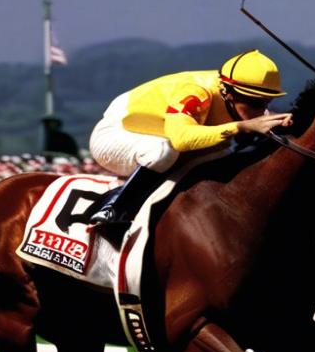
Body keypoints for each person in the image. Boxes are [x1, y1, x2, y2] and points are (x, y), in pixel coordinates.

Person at [88, 49, 294, 227]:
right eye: (255, 103)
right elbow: (181, 139)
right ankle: (114, 207)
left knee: (224, 154)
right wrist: (241, 126)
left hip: (157, 134)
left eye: (266, 103)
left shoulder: (237, 95)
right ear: (229, 93)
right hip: (116, 135)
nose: (261, 111)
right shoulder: (196, 93)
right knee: (163, 150)